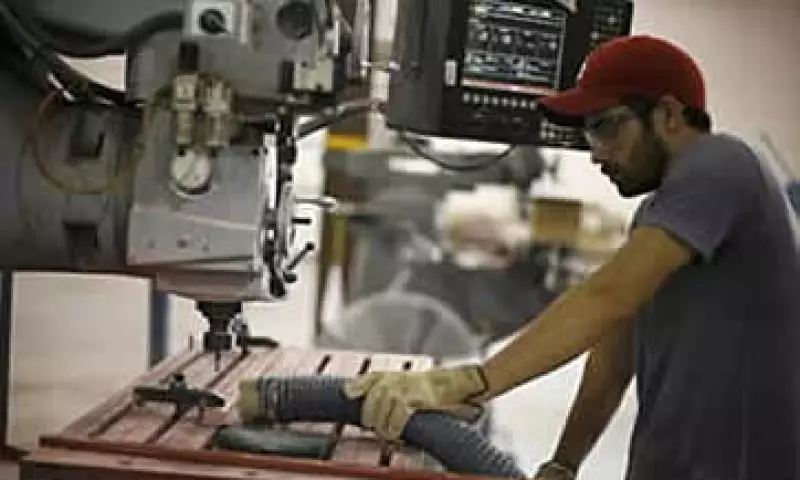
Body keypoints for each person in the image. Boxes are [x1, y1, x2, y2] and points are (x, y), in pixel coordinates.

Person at [338, 35, 800, 480]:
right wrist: (564, 463)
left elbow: (607, 295)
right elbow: (612, 355)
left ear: (668, 114)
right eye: (587, 131)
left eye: (606, 125)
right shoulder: (655, 217)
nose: (596, 151)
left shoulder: (723, 163)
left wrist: (471, 382)